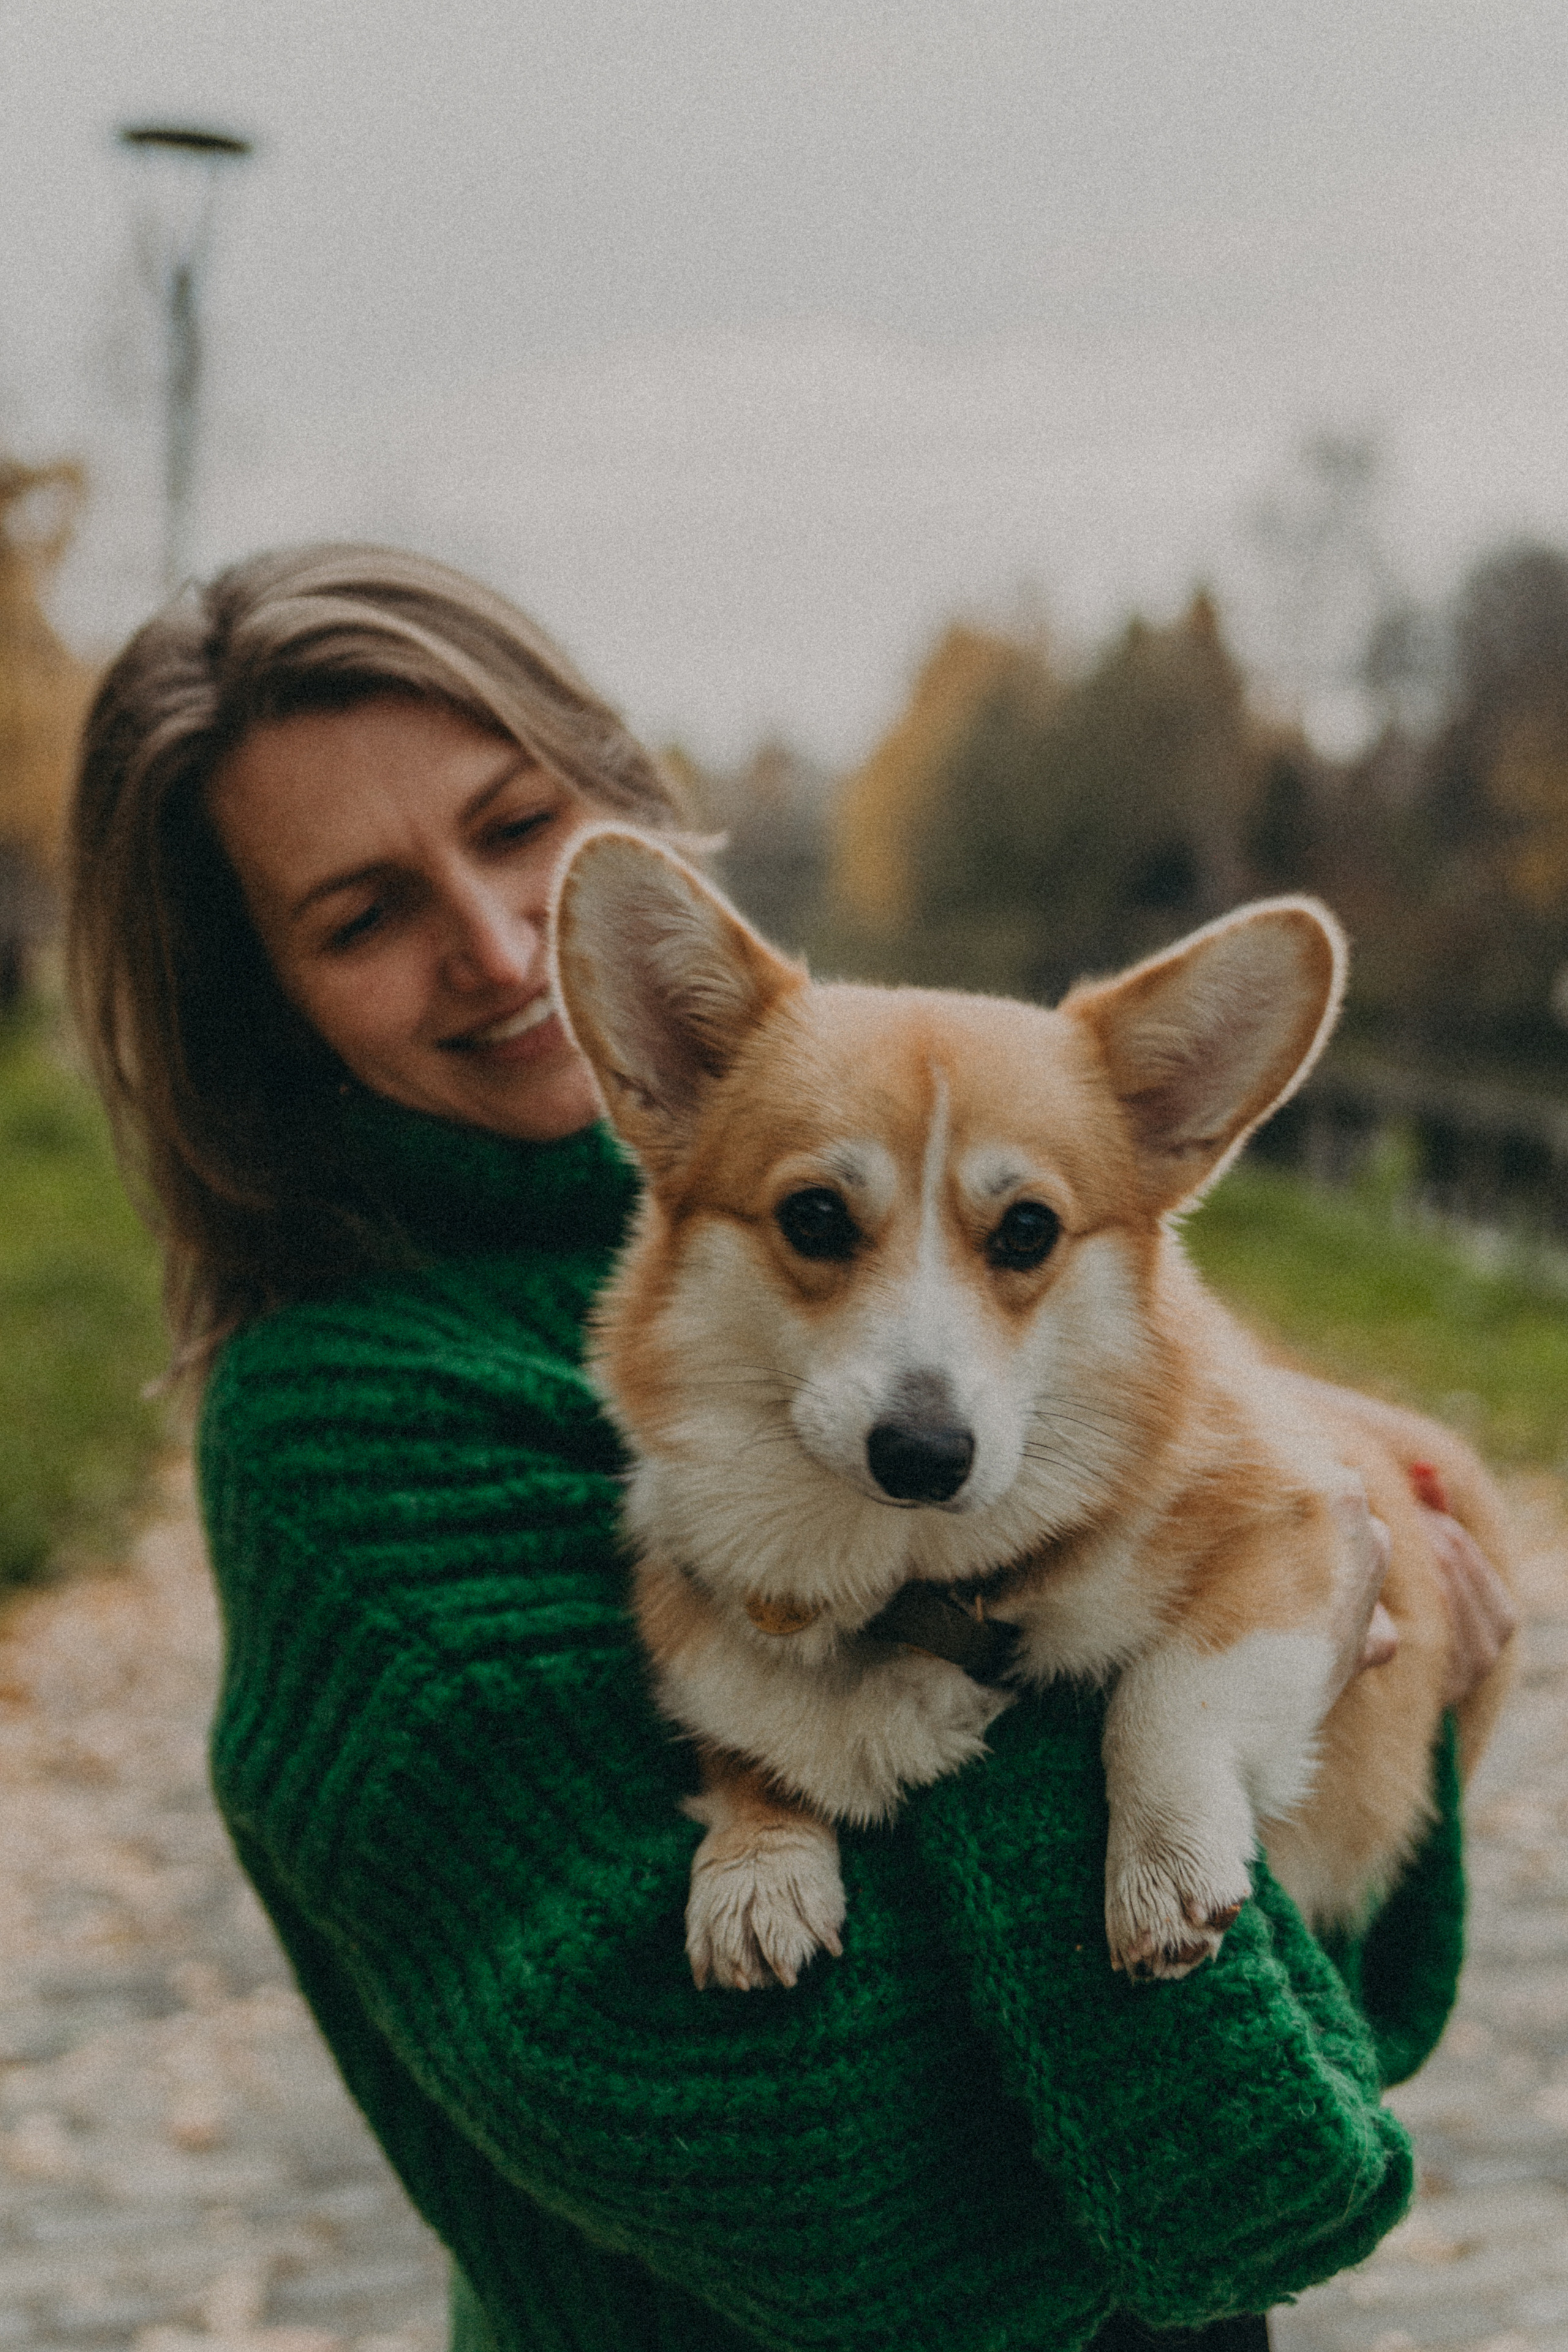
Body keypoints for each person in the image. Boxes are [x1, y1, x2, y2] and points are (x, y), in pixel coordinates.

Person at [66, 544, 1516, 2352]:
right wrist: (1179, 1762)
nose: (501, 944)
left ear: (614, 795)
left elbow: (1358, 2011)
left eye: (518, 825)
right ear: (255, 1004)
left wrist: (1362, 1641)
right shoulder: (351, 1430)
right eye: (361, 916)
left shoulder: (901, 1138)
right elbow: (844, 2200)